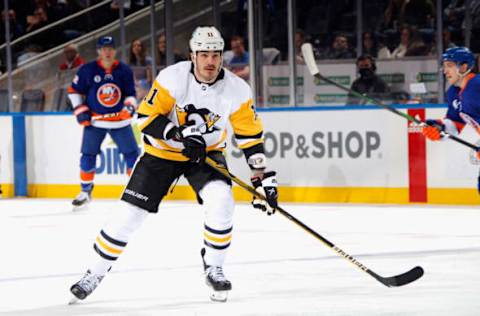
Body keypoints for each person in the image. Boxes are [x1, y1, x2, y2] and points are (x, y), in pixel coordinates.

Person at [69, 26, 279, 304]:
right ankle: (94, 273)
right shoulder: (173, 78)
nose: (210, 61)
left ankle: (214, 266)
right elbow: (145, 117)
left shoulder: (237, 89)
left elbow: (250, 135)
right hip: (162, 154)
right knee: (128, 216)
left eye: (215, 54)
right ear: (193, 55)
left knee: (222, 202)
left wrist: (260, 177)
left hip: (206, 154)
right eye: (203, 54)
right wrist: (178, 134)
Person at [68, 36, 139, 210]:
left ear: (115, 50)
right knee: (87, 156)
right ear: (99, 51)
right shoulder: (88, 70)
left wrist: (129, 107)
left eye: (110, 48)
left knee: (132, 155)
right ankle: (85, 191)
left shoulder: (124, 70)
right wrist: (80, 110)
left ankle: (135, 191)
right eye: (104, 48)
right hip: (95, 122)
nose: (107, 52)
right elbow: (73, 90)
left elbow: (131, 94)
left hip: (119, 122)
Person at [421, 47, 480, 191]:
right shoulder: (454, 93)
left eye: (450, 66)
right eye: (444, 66)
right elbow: (454, 124)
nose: (445, 71)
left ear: (464, 67)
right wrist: (439, 128)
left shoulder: (477, 85)